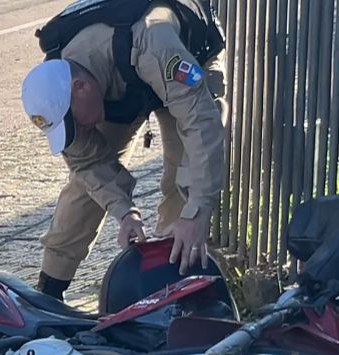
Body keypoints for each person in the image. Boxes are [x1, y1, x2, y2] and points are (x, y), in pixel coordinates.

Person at [20, 0, 229, 301]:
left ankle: (172, 281)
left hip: (188, 60)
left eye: (73, 122)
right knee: (84, 190)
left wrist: (196, 213)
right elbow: (87, 163)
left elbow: (201, 123)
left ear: (81, 87)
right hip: (122, 81)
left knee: (185, 176)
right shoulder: (60, 87)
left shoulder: (152, 43)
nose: (77, 131)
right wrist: (124, 211)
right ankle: (50, 291)